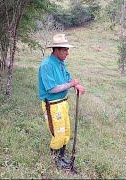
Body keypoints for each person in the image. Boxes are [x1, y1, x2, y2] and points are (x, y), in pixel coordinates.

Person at [38, 34, 85, 169]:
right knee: (58, 133)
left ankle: (62, 156)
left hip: (63, 102)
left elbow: (68, 78)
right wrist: (71, 85)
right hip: (52, 105)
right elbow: (52, 89)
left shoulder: (60, 63)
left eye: (67, 50)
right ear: (56, 50)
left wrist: (76, 85)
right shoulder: (46, 65)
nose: (67, 53)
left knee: (66, 132)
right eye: (65, 50)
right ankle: (55, 159)